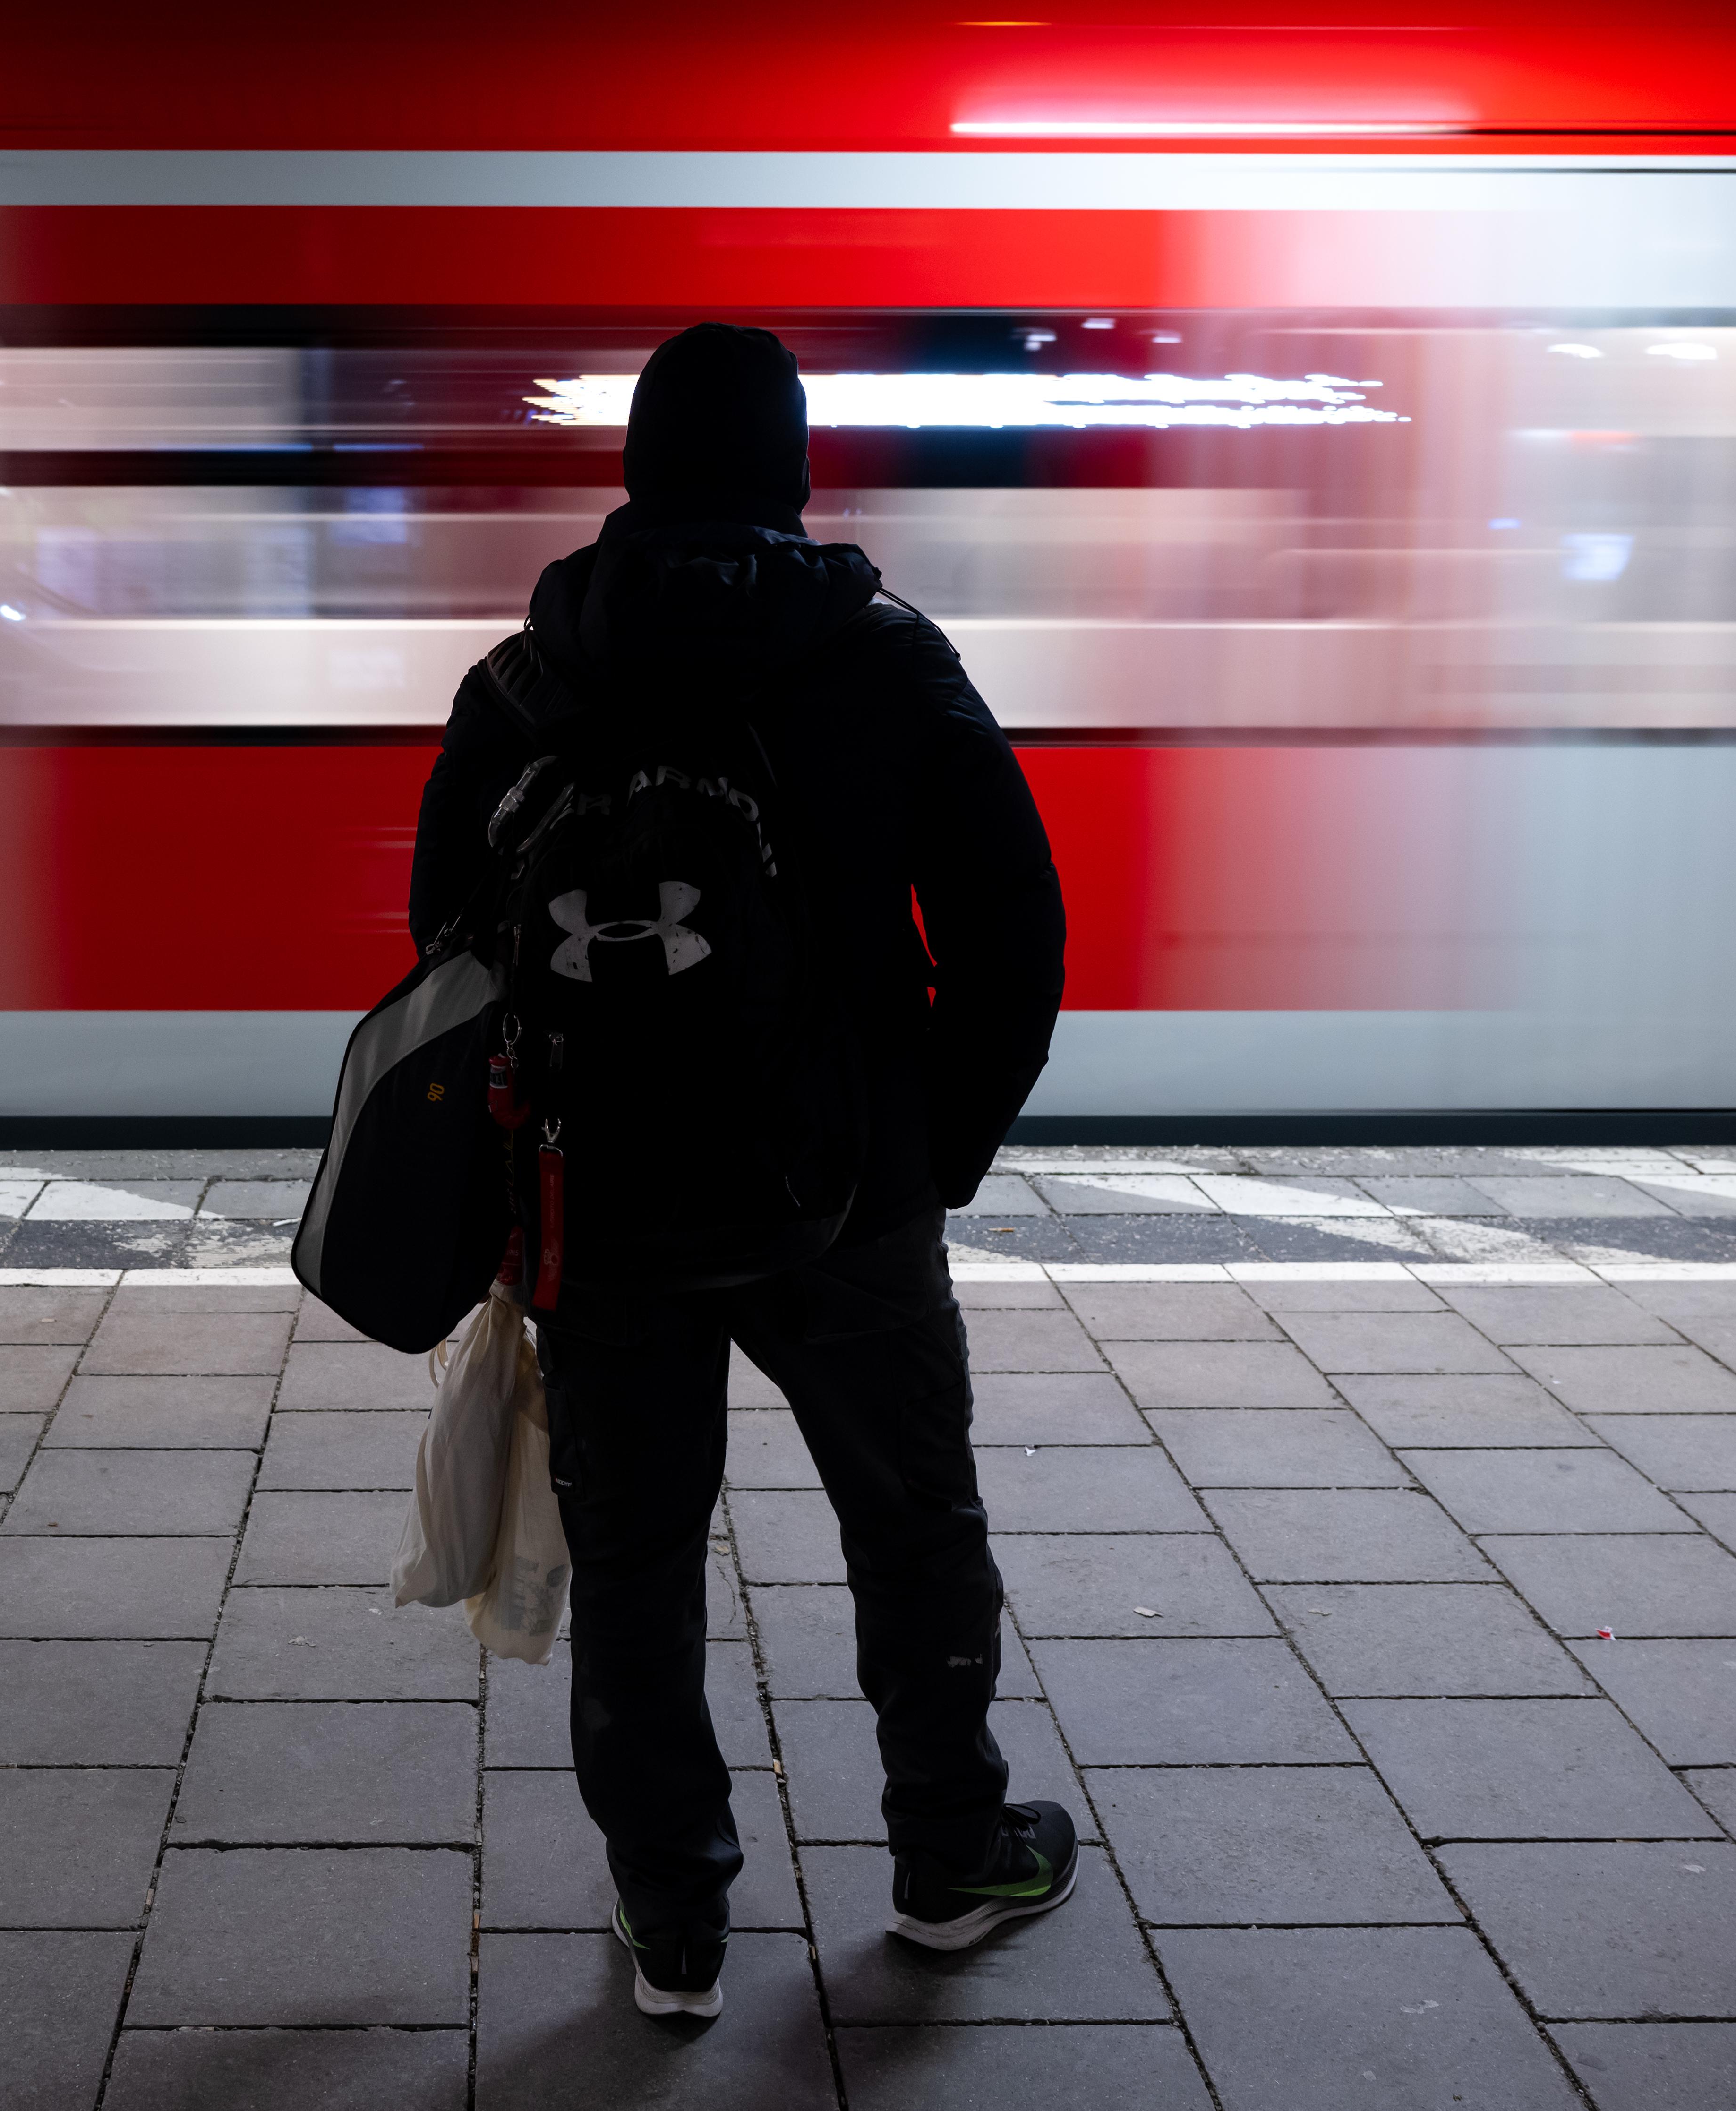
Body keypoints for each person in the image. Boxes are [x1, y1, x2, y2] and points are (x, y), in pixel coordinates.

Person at [407, 323, 1070, 2018]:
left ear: (634, 469)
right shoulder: (885, 658)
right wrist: (934, 1149)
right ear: (792, 468)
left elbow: (444, 948)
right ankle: (950, 1853)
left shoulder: (524, 680)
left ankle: (673, 1917)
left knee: (635, 1555)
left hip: (599, 1197)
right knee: (911, 1520)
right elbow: (1013, 925)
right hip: (849, 1188)